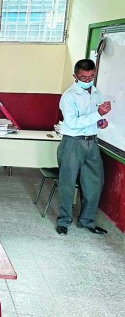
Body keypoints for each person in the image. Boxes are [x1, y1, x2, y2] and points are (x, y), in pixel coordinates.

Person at [56, 59, 111, 236]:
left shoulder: (97, 94)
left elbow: (94, 120)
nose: (87, 80)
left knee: (94, 183)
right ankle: (63, 221)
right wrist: (97, 114)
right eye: (83, 77)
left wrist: (101, 121)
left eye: (90, 77)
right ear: (75, 76)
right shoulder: (69, 96)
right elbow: (72, 123)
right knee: (67, 183)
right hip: (73, 143)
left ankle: (86, 221)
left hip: (92, 142)